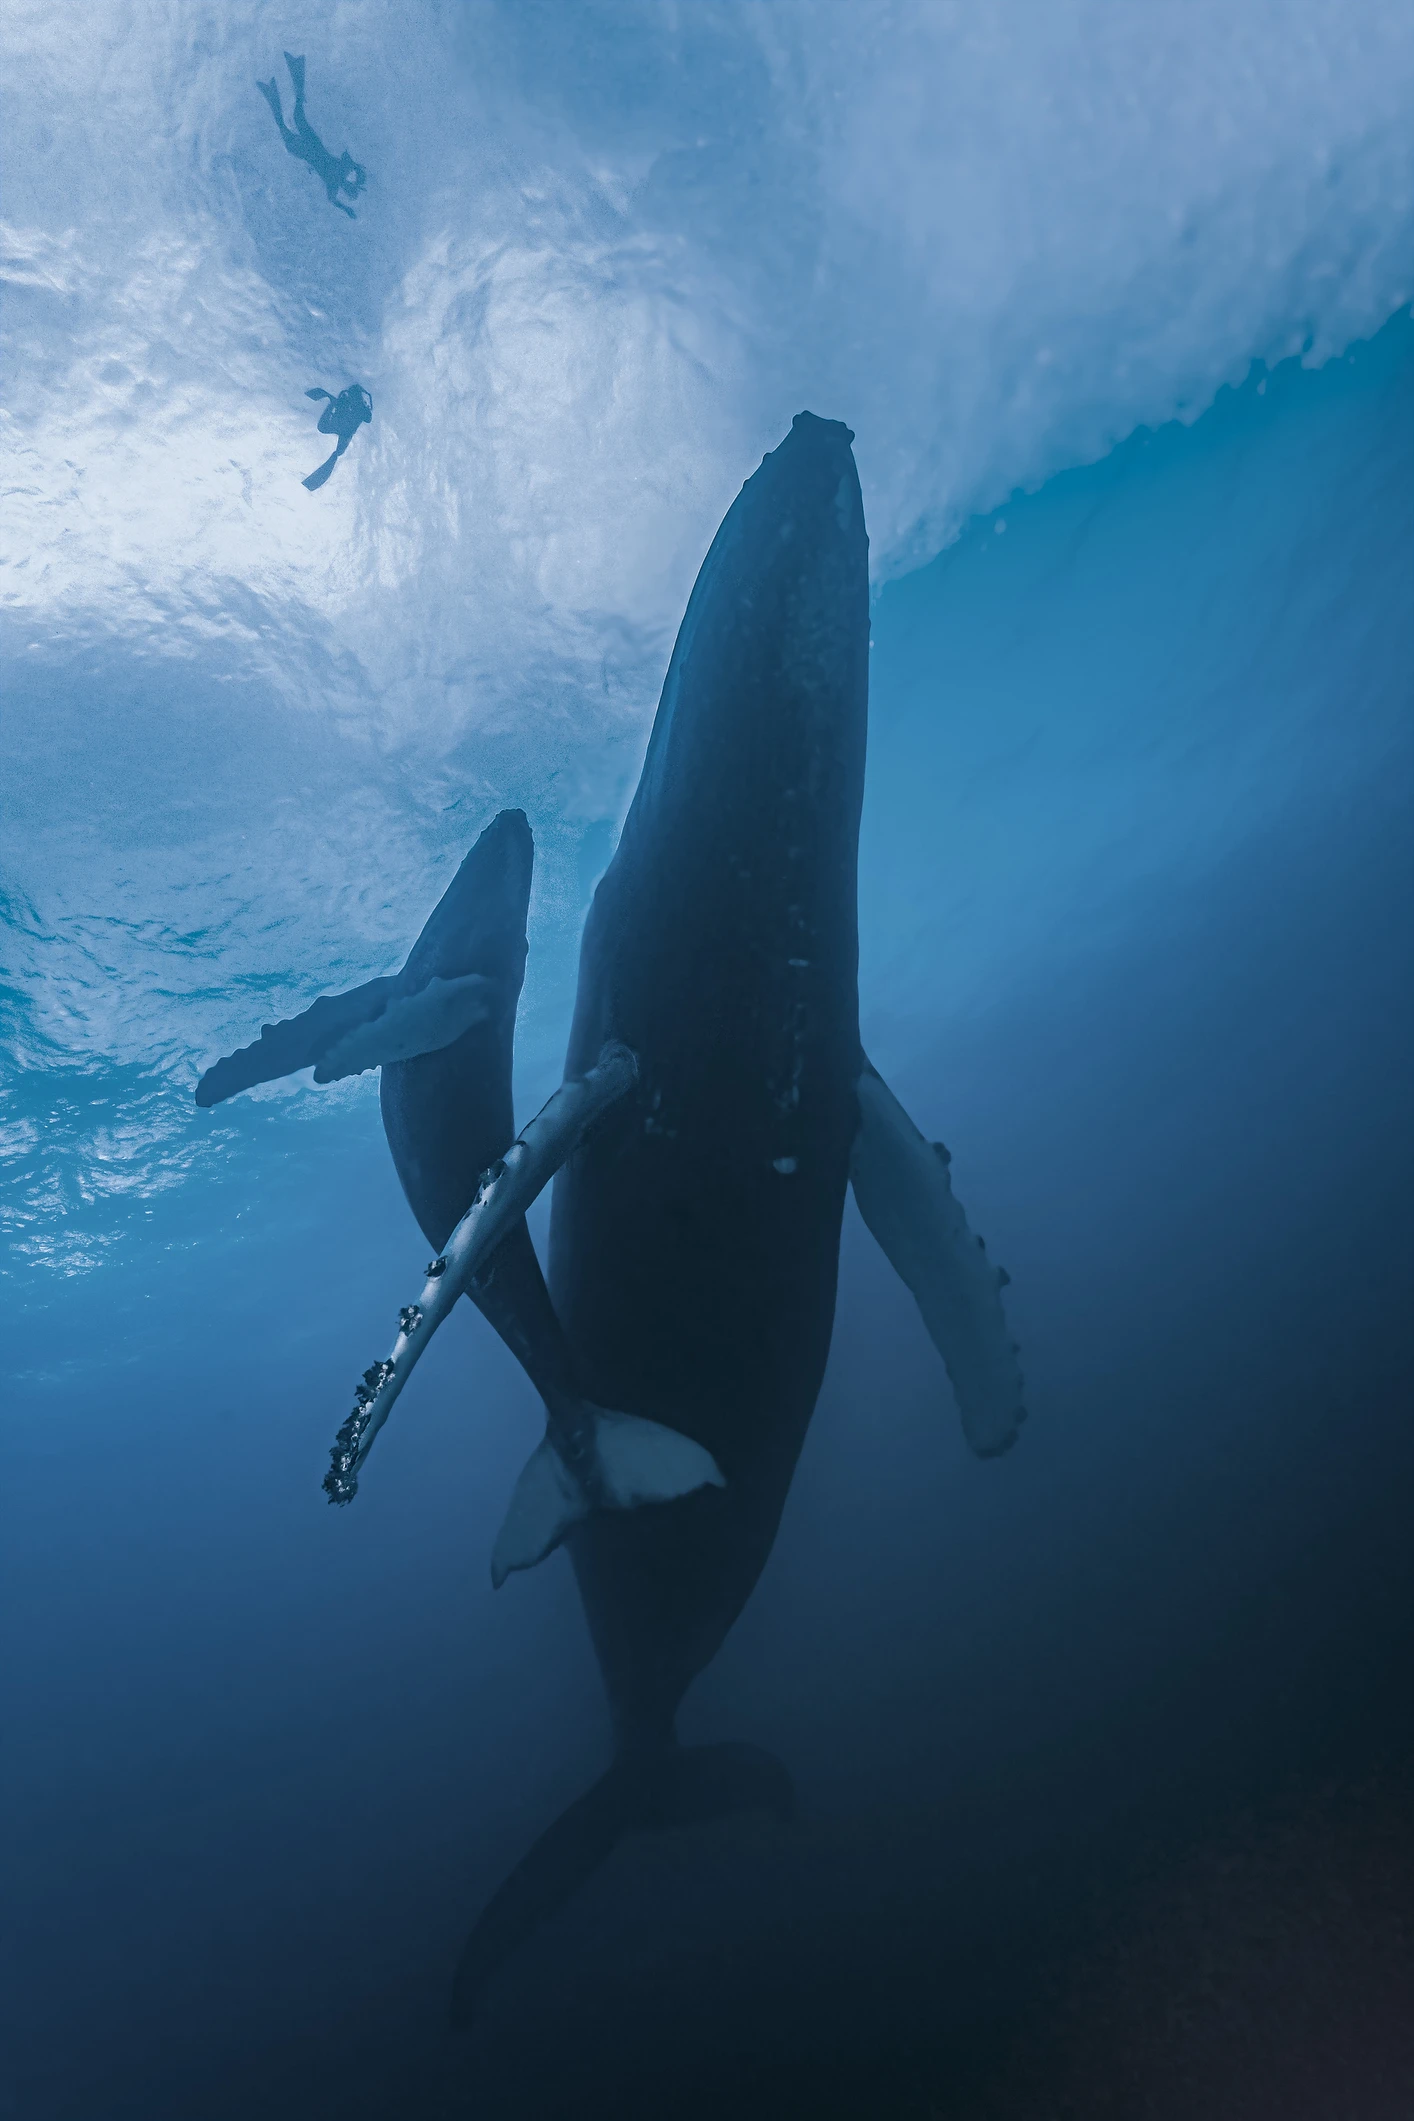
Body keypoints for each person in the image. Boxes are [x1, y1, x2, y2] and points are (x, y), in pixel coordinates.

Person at [256, 52, 366, 218]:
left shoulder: (337, 179)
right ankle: (289, 74)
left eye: (349, 191)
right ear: (351, 185)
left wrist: (346, 207)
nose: (348, 188)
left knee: (294, 117)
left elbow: (335, 196)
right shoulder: (337, 180)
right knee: (294, 117)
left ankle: (279, 84)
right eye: (351, 189)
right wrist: (347, 205)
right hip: (310, 146)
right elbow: (336, 195)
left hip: (307, 148)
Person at [302, 385, 372, 491]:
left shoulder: (359, 406)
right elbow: (367, 418)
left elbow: (367, 418)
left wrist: (335, 403)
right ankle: (314, 482)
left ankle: (314, 482)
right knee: (324, 431)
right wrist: (334, 404)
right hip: (342, 429)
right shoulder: (350, 401)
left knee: (336, 448)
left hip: (344, 431)